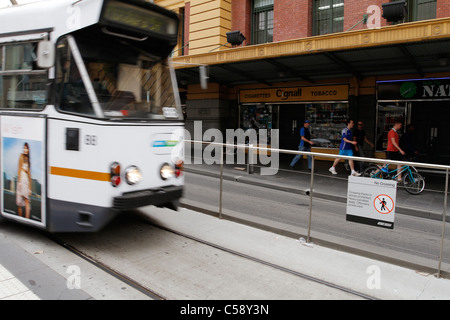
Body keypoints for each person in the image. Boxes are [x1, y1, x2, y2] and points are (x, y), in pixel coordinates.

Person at [16, 142, 32, 219]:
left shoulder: (28, 160)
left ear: (28, 150)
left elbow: (29, 175)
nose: (25, 150)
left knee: (27, 201)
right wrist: (19, 181)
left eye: (27, 148)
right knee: (19, 202)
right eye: (24, 148)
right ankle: (20, 218)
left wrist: (30, 188)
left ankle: (27, 219)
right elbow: (19, 168)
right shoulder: (21, 156)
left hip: (26, 180)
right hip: (21, 178)